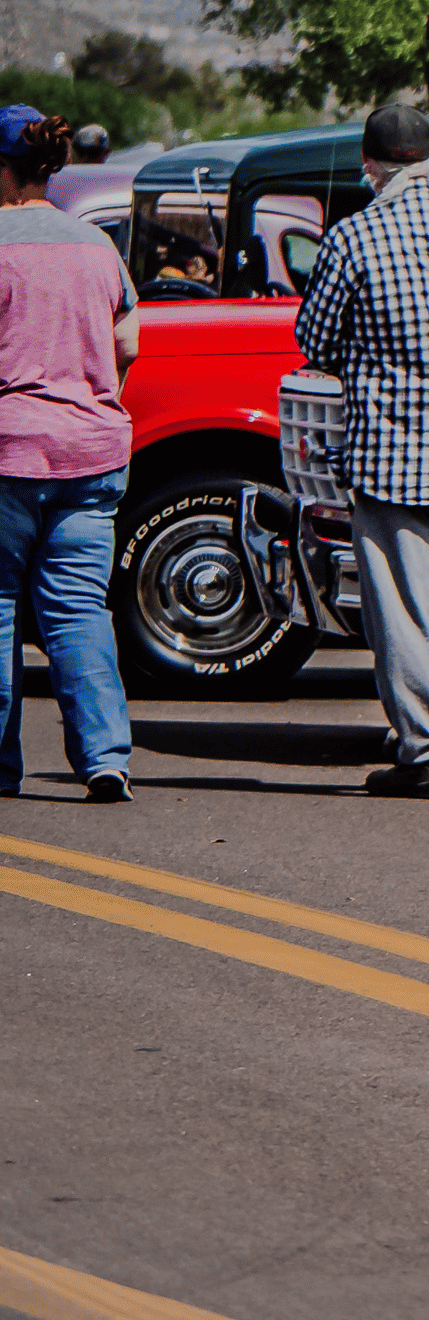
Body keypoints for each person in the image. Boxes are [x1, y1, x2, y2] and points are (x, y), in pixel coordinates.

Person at [293, 105, 429, 800]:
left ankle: (424, 748)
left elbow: (314, 341)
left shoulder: (354, 236)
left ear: (370, 166)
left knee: (400, 606)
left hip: (390, 447)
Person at [0, 104, 138, 802]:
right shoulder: (95, 246)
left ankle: (2, 764)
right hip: (93, 451)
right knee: (79, 608)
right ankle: (105, 757)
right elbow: (128, 345)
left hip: (9, 453)